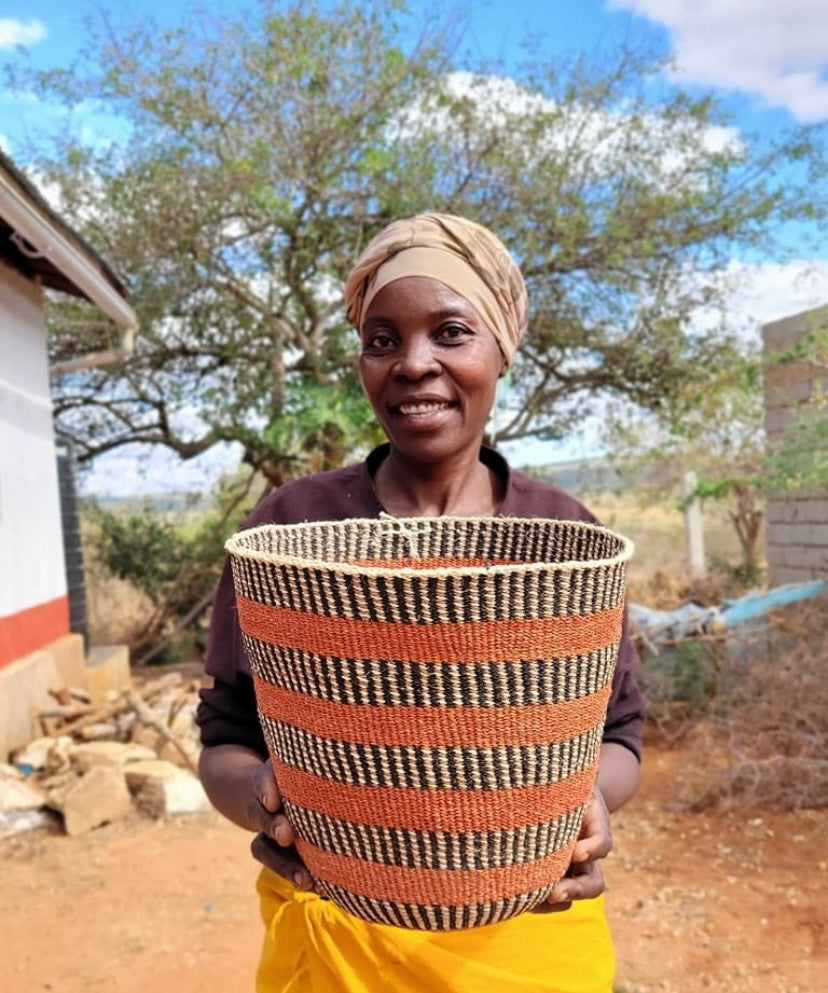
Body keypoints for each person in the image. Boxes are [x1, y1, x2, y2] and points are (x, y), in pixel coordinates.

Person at [196, 213, 643, 993]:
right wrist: (265, 805)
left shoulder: (565, 536)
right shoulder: (290, 530)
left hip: (530, 945)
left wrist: (587, 801)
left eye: (451, 332)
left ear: (501, 347)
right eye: (382, 340)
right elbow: (226, 734)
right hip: (337, 943)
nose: (413, 363)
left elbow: (621, 733)